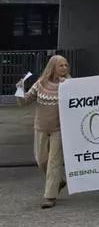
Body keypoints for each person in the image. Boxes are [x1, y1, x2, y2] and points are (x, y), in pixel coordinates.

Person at [16, 55, 69, 209]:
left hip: (58, 129)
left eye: (66, 65)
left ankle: (49, 197)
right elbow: (25, 101)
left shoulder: (68, 84)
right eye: (61, 66)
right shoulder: (40, 84)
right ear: (52, 67)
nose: (64, 68)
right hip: (40, 128)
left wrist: (68, 88)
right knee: (41, 160)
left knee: (54, 162)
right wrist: (20, 89)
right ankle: (59, 181)